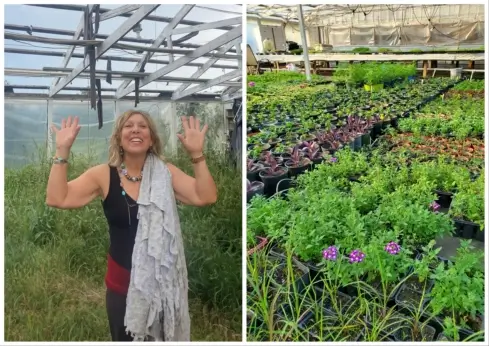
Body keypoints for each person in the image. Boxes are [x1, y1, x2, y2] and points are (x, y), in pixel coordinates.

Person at [46, 110, 218, 341]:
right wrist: (62, 151)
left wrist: (197, 154)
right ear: (118, 137)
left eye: (142, 126)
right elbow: (58, 198)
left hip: (162, 285)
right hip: (122, 287)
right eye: (128, 126)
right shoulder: (103, 175)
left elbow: (205, 196)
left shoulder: (165, 173)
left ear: (151, 139)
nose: (135, 129)